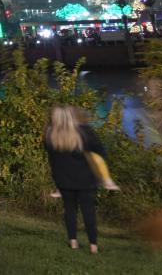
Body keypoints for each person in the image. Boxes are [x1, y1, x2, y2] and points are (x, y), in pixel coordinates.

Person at [44, 105, 108, 254]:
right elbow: (101, 152)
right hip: (86, 179)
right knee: (88, 212)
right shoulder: (85, 132)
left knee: (70, 211)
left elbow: (52, 159)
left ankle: (73, 242)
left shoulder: (51, 135)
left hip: (64, 180)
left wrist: (57, 181)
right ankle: (93, 246)